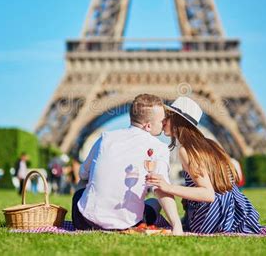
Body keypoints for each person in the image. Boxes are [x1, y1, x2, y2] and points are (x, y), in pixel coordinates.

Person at [147, 96, 266, 234]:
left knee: (147, 214)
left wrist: (168, 187)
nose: (163, 120)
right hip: (235, 215)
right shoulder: (210, 145)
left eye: (167, 116)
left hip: (209, 219)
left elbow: (208, 194)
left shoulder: (186, 150)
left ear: (178, 120)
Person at [72, 94, 183, 235]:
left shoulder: (105, 138)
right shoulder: (159, 148)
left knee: (82, 185)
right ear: (148, 126)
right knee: (154, 203)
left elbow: (82, 174)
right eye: (162, 120)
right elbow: (160, 188)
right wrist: (176, 225)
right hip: (127, 224)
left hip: (85, 220)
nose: (165, 122)